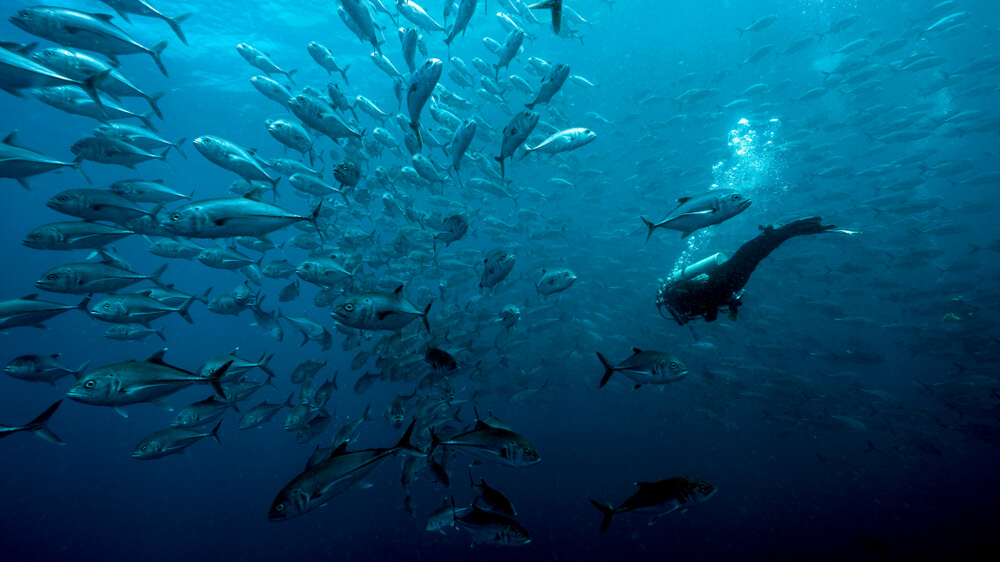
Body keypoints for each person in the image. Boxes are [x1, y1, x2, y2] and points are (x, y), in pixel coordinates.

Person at [657, 216, 844, 324]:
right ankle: (780, 234)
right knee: (753, 256)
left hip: (721, 279)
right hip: (729, 286)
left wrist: (693, 284)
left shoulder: (671, 297)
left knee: (749, 255)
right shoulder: (687, 309)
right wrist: (731, 304)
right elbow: (711, 314)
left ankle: (776, 234)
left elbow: (678, 290)